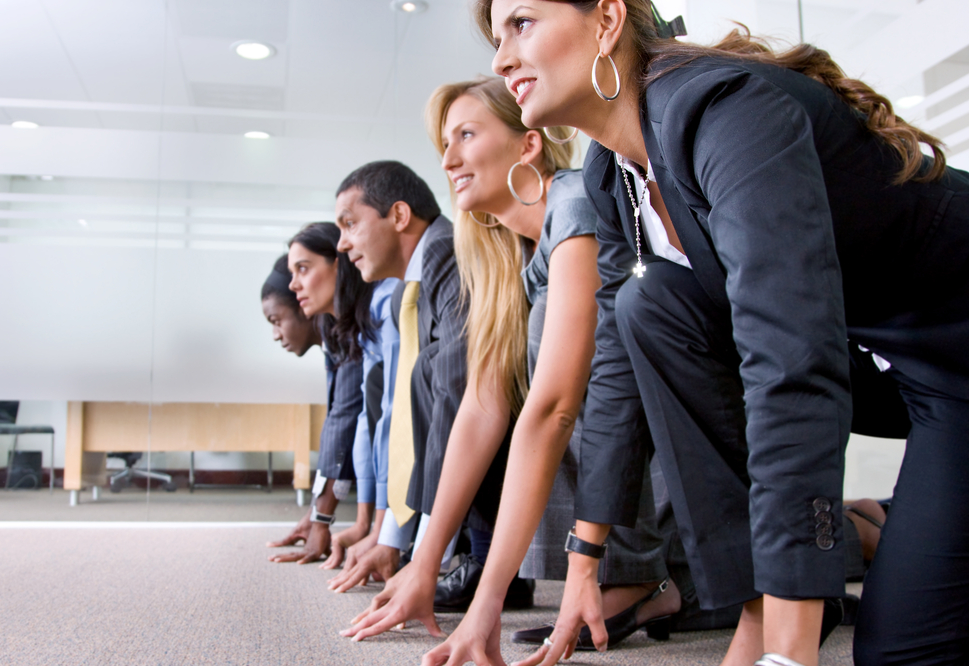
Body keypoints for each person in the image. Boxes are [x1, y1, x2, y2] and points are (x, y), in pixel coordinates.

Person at [444, 0, 969, 666]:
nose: (501, 58)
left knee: (906, 655)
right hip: (888, 361)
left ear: (607, 21)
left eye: (521, 24)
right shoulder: (613, 177)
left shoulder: (723, 113)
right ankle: (758, 607)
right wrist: (587, 556)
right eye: (496, 38)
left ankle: (788, 617)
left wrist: (790, 653)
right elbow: (613, 376)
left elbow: (788, 358)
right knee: (651, 308)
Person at [342, 75, 680, 648]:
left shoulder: (574, 201)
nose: (447, 160)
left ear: (528, 145)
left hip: (678, 446)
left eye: (466, 135)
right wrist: (423, 563)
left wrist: (488, 599)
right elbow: (481, 407)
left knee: (551, 384)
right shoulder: (507, 255)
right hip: (635, 454)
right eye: (444, 145)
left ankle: (641, 575)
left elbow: (556, 408)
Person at [328, 160, 513, 598]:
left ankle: (485, 560)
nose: (341, 243)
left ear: (398, 215)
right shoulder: (402, 298)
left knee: (439, 372)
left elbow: (455, 393)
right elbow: (407, 418)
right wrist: (392, 540)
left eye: (350, 224)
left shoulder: (449, 253)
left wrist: (426, 559)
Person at [260, 255, 373, 567]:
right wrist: (315, 513)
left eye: (277, 320)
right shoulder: (331, 336)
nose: (276, 334)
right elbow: (337, 420)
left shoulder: (346, 328)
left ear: (302, 306)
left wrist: (322, 520)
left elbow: (345, 418)